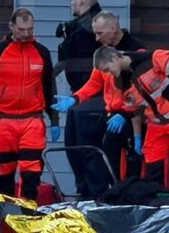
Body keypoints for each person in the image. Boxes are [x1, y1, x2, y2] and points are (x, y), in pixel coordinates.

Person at [92, 46, 169, 202]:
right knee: (152, 169)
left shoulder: (152, 58)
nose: (108, 74)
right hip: (155, 123)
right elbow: (134, 111)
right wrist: (137, 137)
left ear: (114, 58)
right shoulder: (120, 83)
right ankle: (157, 206)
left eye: (108, 69)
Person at [0, 8, 59, 201]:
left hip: (32, 121)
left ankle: (28, 214)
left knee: (31, 174)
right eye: (21, 29)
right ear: (11, 27)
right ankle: (7, 218)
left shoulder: (41, 52)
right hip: (4, 121)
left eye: (30, 29)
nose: (26, 33)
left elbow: (49, 87)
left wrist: (54, 120)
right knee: (4, 175)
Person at [53, 11, 146, 185]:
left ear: (113, 28)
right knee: (109, 164)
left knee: (133, 165)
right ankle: (112, 198)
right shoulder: (103, 52)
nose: (96, 38)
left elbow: (141, 91)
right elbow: (95, 82)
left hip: (134, 118)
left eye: (99, 33)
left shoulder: (136, 50)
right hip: (112, 118)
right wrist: (76, 98)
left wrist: (126, 114)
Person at [55, 0, 105, 199]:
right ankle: (83, 191)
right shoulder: (77, 27)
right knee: (73, 146)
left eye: (73, 0)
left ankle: (94, 196)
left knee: (87, 149)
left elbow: (82, 66)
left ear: (82, 2)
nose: (71, 4)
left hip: (91, 98)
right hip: (78, 97)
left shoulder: (89, 29)